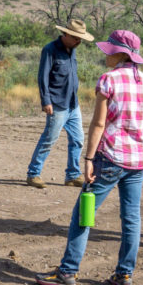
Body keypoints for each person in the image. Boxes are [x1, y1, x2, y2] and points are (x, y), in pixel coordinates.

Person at [35, 30, 143, 285]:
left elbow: (99, 123)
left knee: (83, 214)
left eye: (110, 50)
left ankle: (68, 271)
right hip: (138, 160)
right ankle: (124, 275)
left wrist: (88, 158)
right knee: (131, 218)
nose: (106, 54)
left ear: (122, 53)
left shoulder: (108, 80)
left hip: (110, 158)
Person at [26, 19, 95, 189]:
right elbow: (43, 77)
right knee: (49, 139)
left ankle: (72, 175)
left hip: (73, 103)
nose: (79, 42)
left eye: (81, 39)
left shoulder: (72, 50)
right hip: (56, 104)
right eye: (76, 38)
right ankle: (33, 174)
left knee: (78, 139)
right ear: (66, 34)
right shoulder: (50, 50)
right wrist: (46, 101)